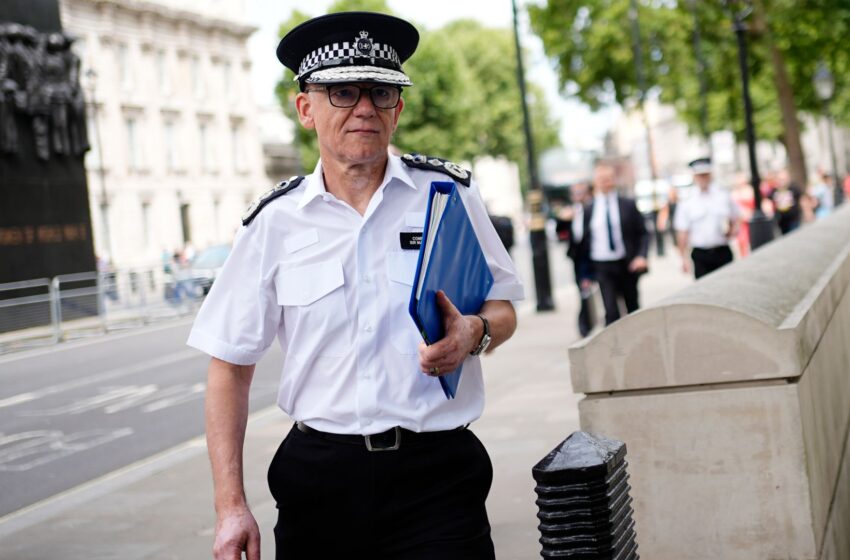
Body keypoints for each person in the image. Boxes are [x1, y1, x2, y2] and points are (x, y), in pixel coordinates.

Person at [186, 11, 524, 560]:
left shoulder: (449, 194)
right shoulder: (272, 223)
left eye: (381, 92)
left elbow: (502, 308)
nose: (364, 107)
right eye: (342, 92)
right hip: (319, 484)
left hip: (437, 478)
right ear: (305, 109)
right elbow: (228, 367)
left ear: (399, 108)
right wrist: (230, 507)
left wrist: (475, 334)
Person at [572, 162, 649, 326]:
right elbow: (583, 243)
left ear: (614, 180)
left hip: (626, 264)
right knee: (611, 311)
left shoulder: (627, 205)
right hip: (602, 265)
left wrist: (641, 256)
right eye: (601, 179)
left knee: (633, 308)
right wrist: (584, 274)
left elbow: (643, 233)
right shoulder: (589, 210)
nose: (605, 182)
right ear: (595, 183)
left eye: (608, 179)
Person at [674, 157, 740, 279]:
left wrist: (733, 231)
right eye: (700, 175)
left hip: (722, 250)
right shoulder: (687, 201)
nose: (703, 179)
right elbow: (682, 232)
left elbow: (736, 217)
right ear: (694, 177)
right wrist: (683, 258)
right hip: (701, 254)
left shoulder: (723, 195)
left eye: (705, 175)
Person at [560, 182, 595, 336]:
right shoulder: (572, 212)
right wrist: (564, 219)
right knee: (584, 293)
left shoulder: (594, 209)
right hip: (579, 260)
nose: (578, 196)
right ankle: (585, 327)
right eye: (575, 193)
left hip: (595, 257)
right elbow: (560, 233)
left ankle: (591, 323)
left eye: (581, 192)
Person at [770, 168, 803, 234]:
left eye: (783, 179)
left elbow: (802, 200)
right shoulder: (774, 191)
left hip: (793, 219)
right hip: (782, 220)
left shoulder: (794, 188)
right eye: (780, 179)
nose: (782, 181)